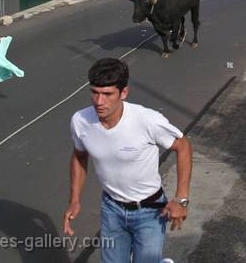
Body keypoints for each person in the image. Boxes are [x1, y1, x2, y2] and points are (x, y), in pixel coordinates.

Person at [63, 58, 192, 263]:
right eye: (94, 92)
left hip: (150, 211)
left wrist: (181, 199)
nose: (99, 101)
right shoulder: (80, 121)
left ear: (123, 93)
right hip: (111, 210)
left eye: (107, 94)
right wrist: (74, 199)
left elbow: (183, 146)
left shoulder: (147, 120)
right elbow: (79, 156)